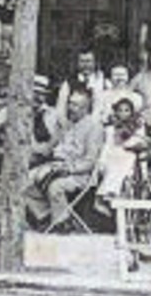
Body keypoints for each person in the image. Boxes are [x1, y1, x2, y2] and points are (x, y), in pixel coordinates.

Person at [21, 89, 104, 232]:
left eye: (76, 105)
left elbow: (90, 161)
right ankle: (45, 216)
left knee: (56, 186)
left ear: (85, 108)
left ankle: (62, 223)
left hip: (79, 173)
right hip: (55, 165)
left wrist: (68, 169)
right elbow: (49, 148)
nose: (71, 108)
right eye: (70, 104)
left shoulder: (94, 127)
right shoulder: (66, 125)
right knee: (23, 181)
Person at [97, 95, 148, 210]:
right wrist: (101, 161)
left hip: (130, 154)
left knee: (124, 162)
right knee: (112, 165)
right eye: (120, 110)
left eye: (127, 110)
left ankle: (113, 191)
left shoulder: (138, 126)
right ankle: (107, 193)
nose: (123, 114)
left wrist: (132, 145)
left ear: (131, 112)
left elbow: (141, 143)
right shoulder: (111, 128)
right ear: (115, 112)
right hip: (113, 154)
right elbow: (107, 145)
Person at [57, 49, 107, 118]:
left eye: (88, 61)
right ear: (77, 63)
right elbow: (61, 107)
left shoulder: (104, 83)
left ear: (95, 62)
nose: (85, 65)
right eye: (82, 61)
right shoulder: (69, 83)